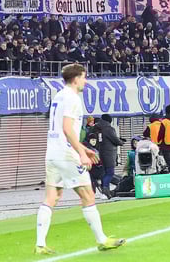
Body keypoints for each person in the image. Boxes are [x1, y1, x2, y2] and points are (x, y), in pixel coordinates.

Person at [35, 64, 125, 255]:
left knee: (52, 197)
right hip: (67, 155)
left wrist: (84, 148)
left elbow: (61, 130)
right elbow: (67, 129)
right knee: (88, 196)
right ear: (76, 79)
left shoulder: (59, 96)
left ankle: (40, 243)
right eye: (84, 77)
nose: (86, 81)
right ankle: (102, 240)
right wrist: (81, 153)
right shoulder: (72, 98)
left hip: (52, 153)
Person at [94, 114, 124, 197]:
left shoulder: (97, 128)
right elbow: (115, 140)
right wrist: (121, 142)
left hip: (100, 153)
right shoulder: (109, 129)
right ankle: (105, 190)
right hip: (109, 153)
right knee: (110, 172)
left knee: (105, 172)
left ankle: (104, 192)